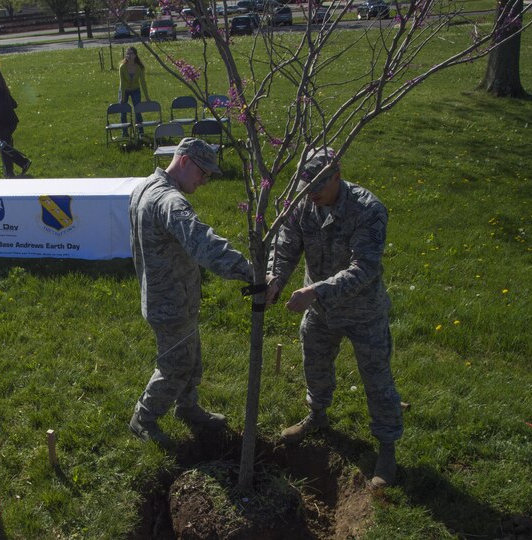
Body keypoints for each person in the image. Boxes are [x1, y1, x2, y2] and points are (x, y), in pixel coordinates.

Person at [265, 147, 402, 488]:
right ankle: (318, 415)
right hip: (320, 309)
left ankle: (386, 446)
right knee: (315, 361)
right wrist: (276, 278)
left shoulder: (367, 210)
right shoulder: (303, 202)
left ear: (337, 176)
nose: (311, 195)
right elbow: (285, 246)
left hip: (362, 311)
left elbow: (365, 268)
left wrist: (316, 291)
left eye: (318, 188)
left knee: (376, 377)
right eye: (306, 187)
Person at [129, 138, 253, 446]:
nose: (205, 180)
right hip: (170, 303)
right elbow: (203, 243)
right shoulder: (169, 201)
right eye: (203, 172)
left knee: (191, 357)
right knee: (176, 365)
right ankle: (143, 418)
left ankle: (187, 407)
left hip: (170, 296)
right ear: (184, 161)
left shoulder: (145, 187)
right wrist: (250, 271)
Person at [0, 68, 31, 178]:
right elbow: (14, 104)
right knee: (4, 147)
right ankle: (9, 172)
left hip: (6, 124)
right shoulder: (2, 90)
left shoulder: (0, 92)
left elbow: (5, 108)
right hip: (8, 123)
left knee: (4, 147)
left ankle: (23, 163)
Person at [118, 47, 149, 137]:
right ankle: (124, 133)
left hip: (135, 90)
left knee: (137, 110)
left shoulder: (139, 67)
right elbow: (122, 83)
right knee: (123, 111)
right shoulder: (122, 67)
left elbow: (143, 82)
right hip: (124, 90)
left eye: (131, 53)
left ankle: (140, 132)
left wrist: (147, 97)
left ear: (135, 55)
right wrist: (123, 98)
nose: (129, 55)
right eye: (127, 54)